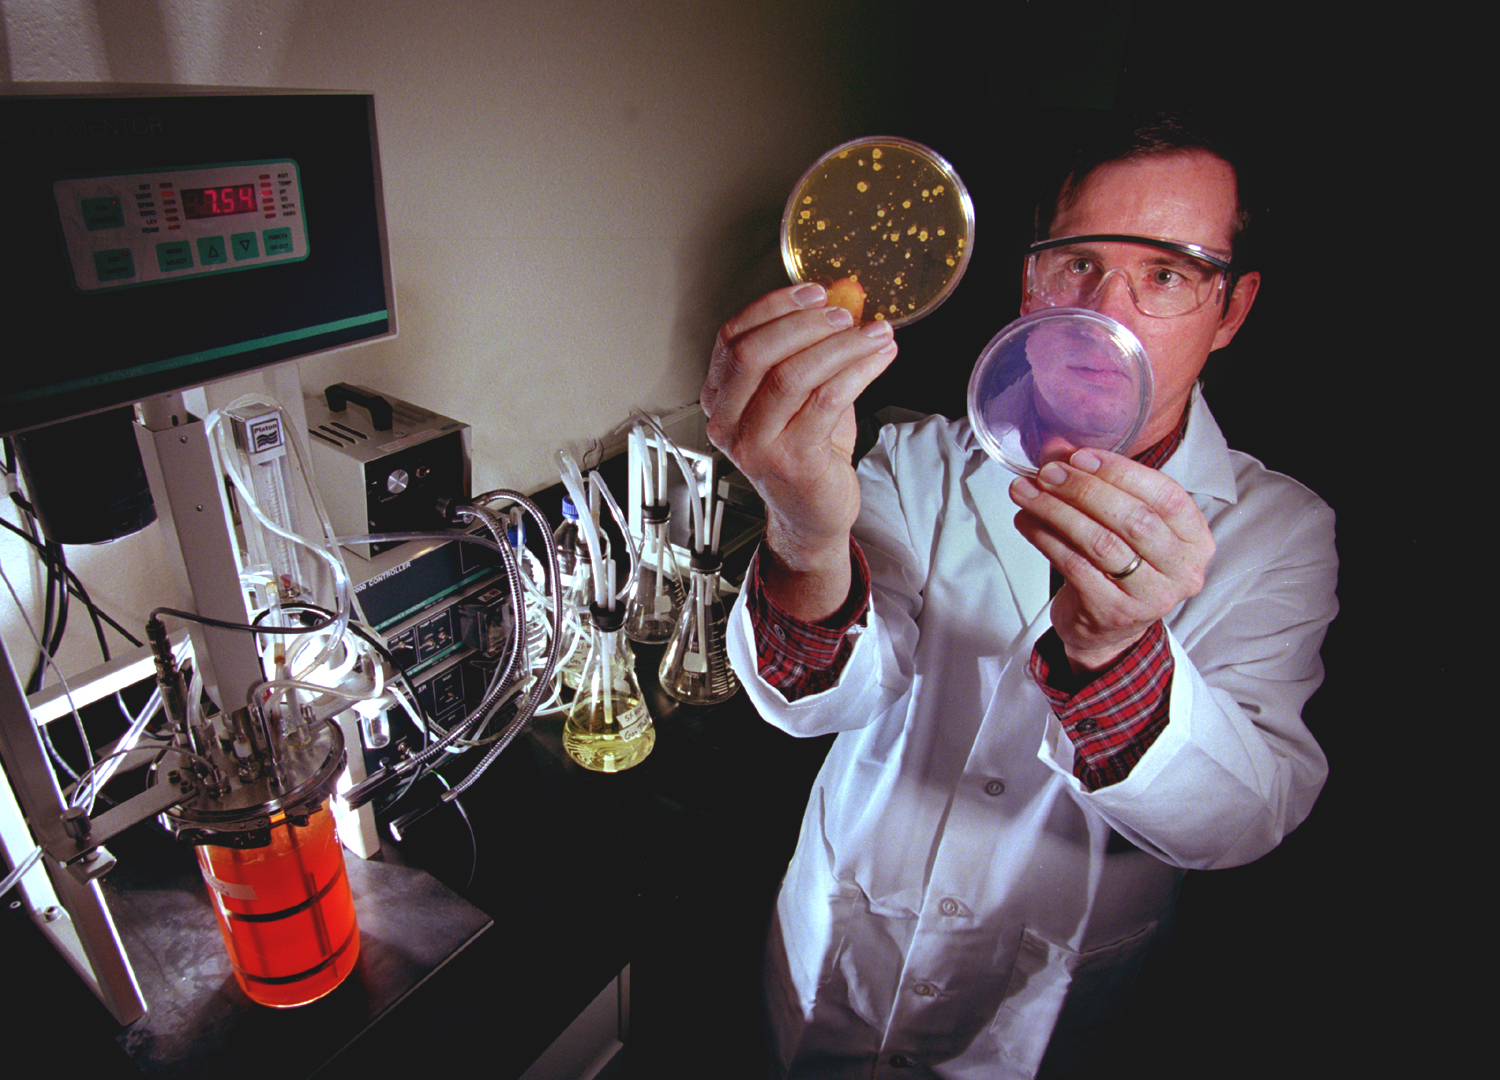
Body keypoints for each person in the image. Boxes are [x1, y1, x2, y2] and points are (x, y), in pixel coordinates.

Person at [699, 112, 1338, 1079]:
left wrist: (1119, 651)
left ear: (1230, 311)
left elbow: (1242, 822)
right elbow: (823, 700)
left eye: (1165, 274)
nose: (1109, 312)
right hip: (839, 936)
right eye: (1078, 264)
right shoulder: (913, 460)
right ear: (1030, 281)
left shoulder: (1280, 531)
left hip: (1044, 1003)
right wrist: (802, 526)